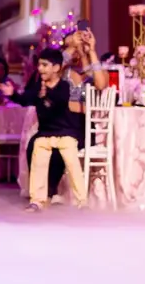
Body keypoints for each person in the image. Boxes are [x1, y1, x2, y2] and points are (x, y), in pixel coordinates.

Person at [9, 48, 89, 211]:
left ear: (56, 67)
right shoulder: (39, 87)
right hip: (46, 133)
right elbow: (26, 99)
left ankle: (82, 201)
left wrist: (45, 95)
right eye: (39, 65)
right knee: (38, 155)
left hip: (66, 132)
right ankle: (37, 201)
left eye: (45, 65)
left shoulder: (65, 87)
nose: (40, 68)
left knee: (72, 162)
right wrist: (13, 94)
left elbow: (58, 104)